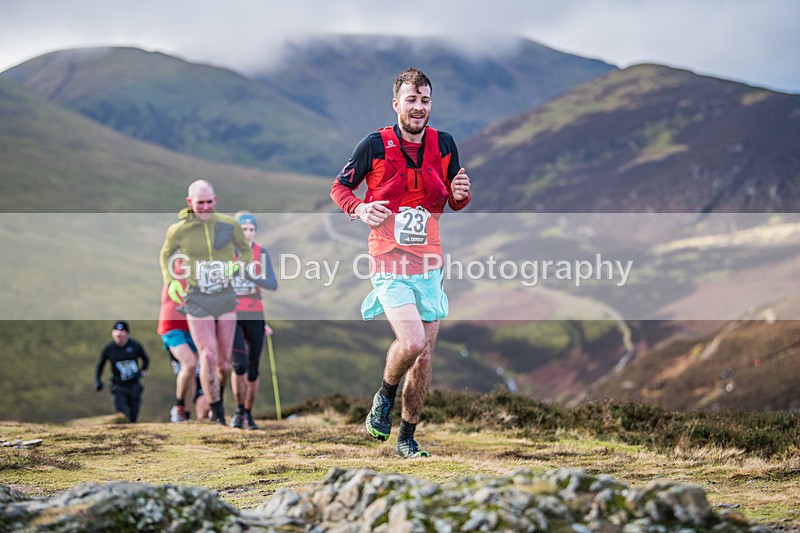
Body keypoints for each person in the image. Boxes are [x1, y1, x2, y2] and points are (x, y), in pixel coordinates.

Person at [330, 68, 471, 458]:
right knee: (412, 342)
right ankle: (383, 397)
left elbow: (453, 198)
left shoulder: (444, 144)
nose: (419, 107)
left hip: (429, 262)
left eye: (425, 100)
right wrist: (358, 207)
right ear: (396, 104)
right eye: (411, 100)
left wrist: (461, 195)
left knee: (424, 358)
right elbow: (339, 187)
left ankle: (407, 439)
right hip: (388, 258)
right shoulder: (374, 145)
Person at [159, 180, 253, 425]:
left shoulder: (229, 225)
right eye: (200, 203)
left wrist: (237, 265)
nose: (205, 207)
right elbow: (166, 255)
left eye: (209, 202)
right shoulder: (178, 230)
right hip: (197, 297)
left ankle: (217, 401)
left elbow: (245, 251)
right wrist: (171, 280)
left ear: (215, 200)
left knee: (223, 365)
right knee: (207, 357)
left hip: (224, 296)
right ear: (190, 202)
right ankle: (218, 416)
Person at [229, 211, 278, 430]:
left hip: (256, 313)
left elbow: (272, 284)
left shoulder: (261, 253)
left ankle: (248, 414)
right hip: (232, 314)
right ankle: (238, 411)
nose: (247, 233)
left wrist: (252, 276)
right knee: (238, 365)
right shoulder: (227, 253)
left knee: (253, 369)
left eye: (251, 229)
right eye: (243, 229)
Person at [156, 273, 200, 423]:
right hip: (172, 325)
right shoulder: (173, 266)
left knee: (192, 370)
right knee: (189, 364)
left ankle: (186, 414)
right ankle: (179, 405)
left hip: (193, 324)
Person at [94, 321, 150, 422]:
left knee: (133, 416)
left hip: (134, 385)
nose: (119, 334)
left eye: (122, 331)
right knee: (123, 414)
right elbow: (100, 365)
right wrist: (98, 380)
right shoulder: (108, 349)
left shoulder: (135, 346)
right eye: (116, 331)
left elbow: (145, 359)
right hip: (118, 385)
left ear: (127, 333)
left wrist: (142, 372)